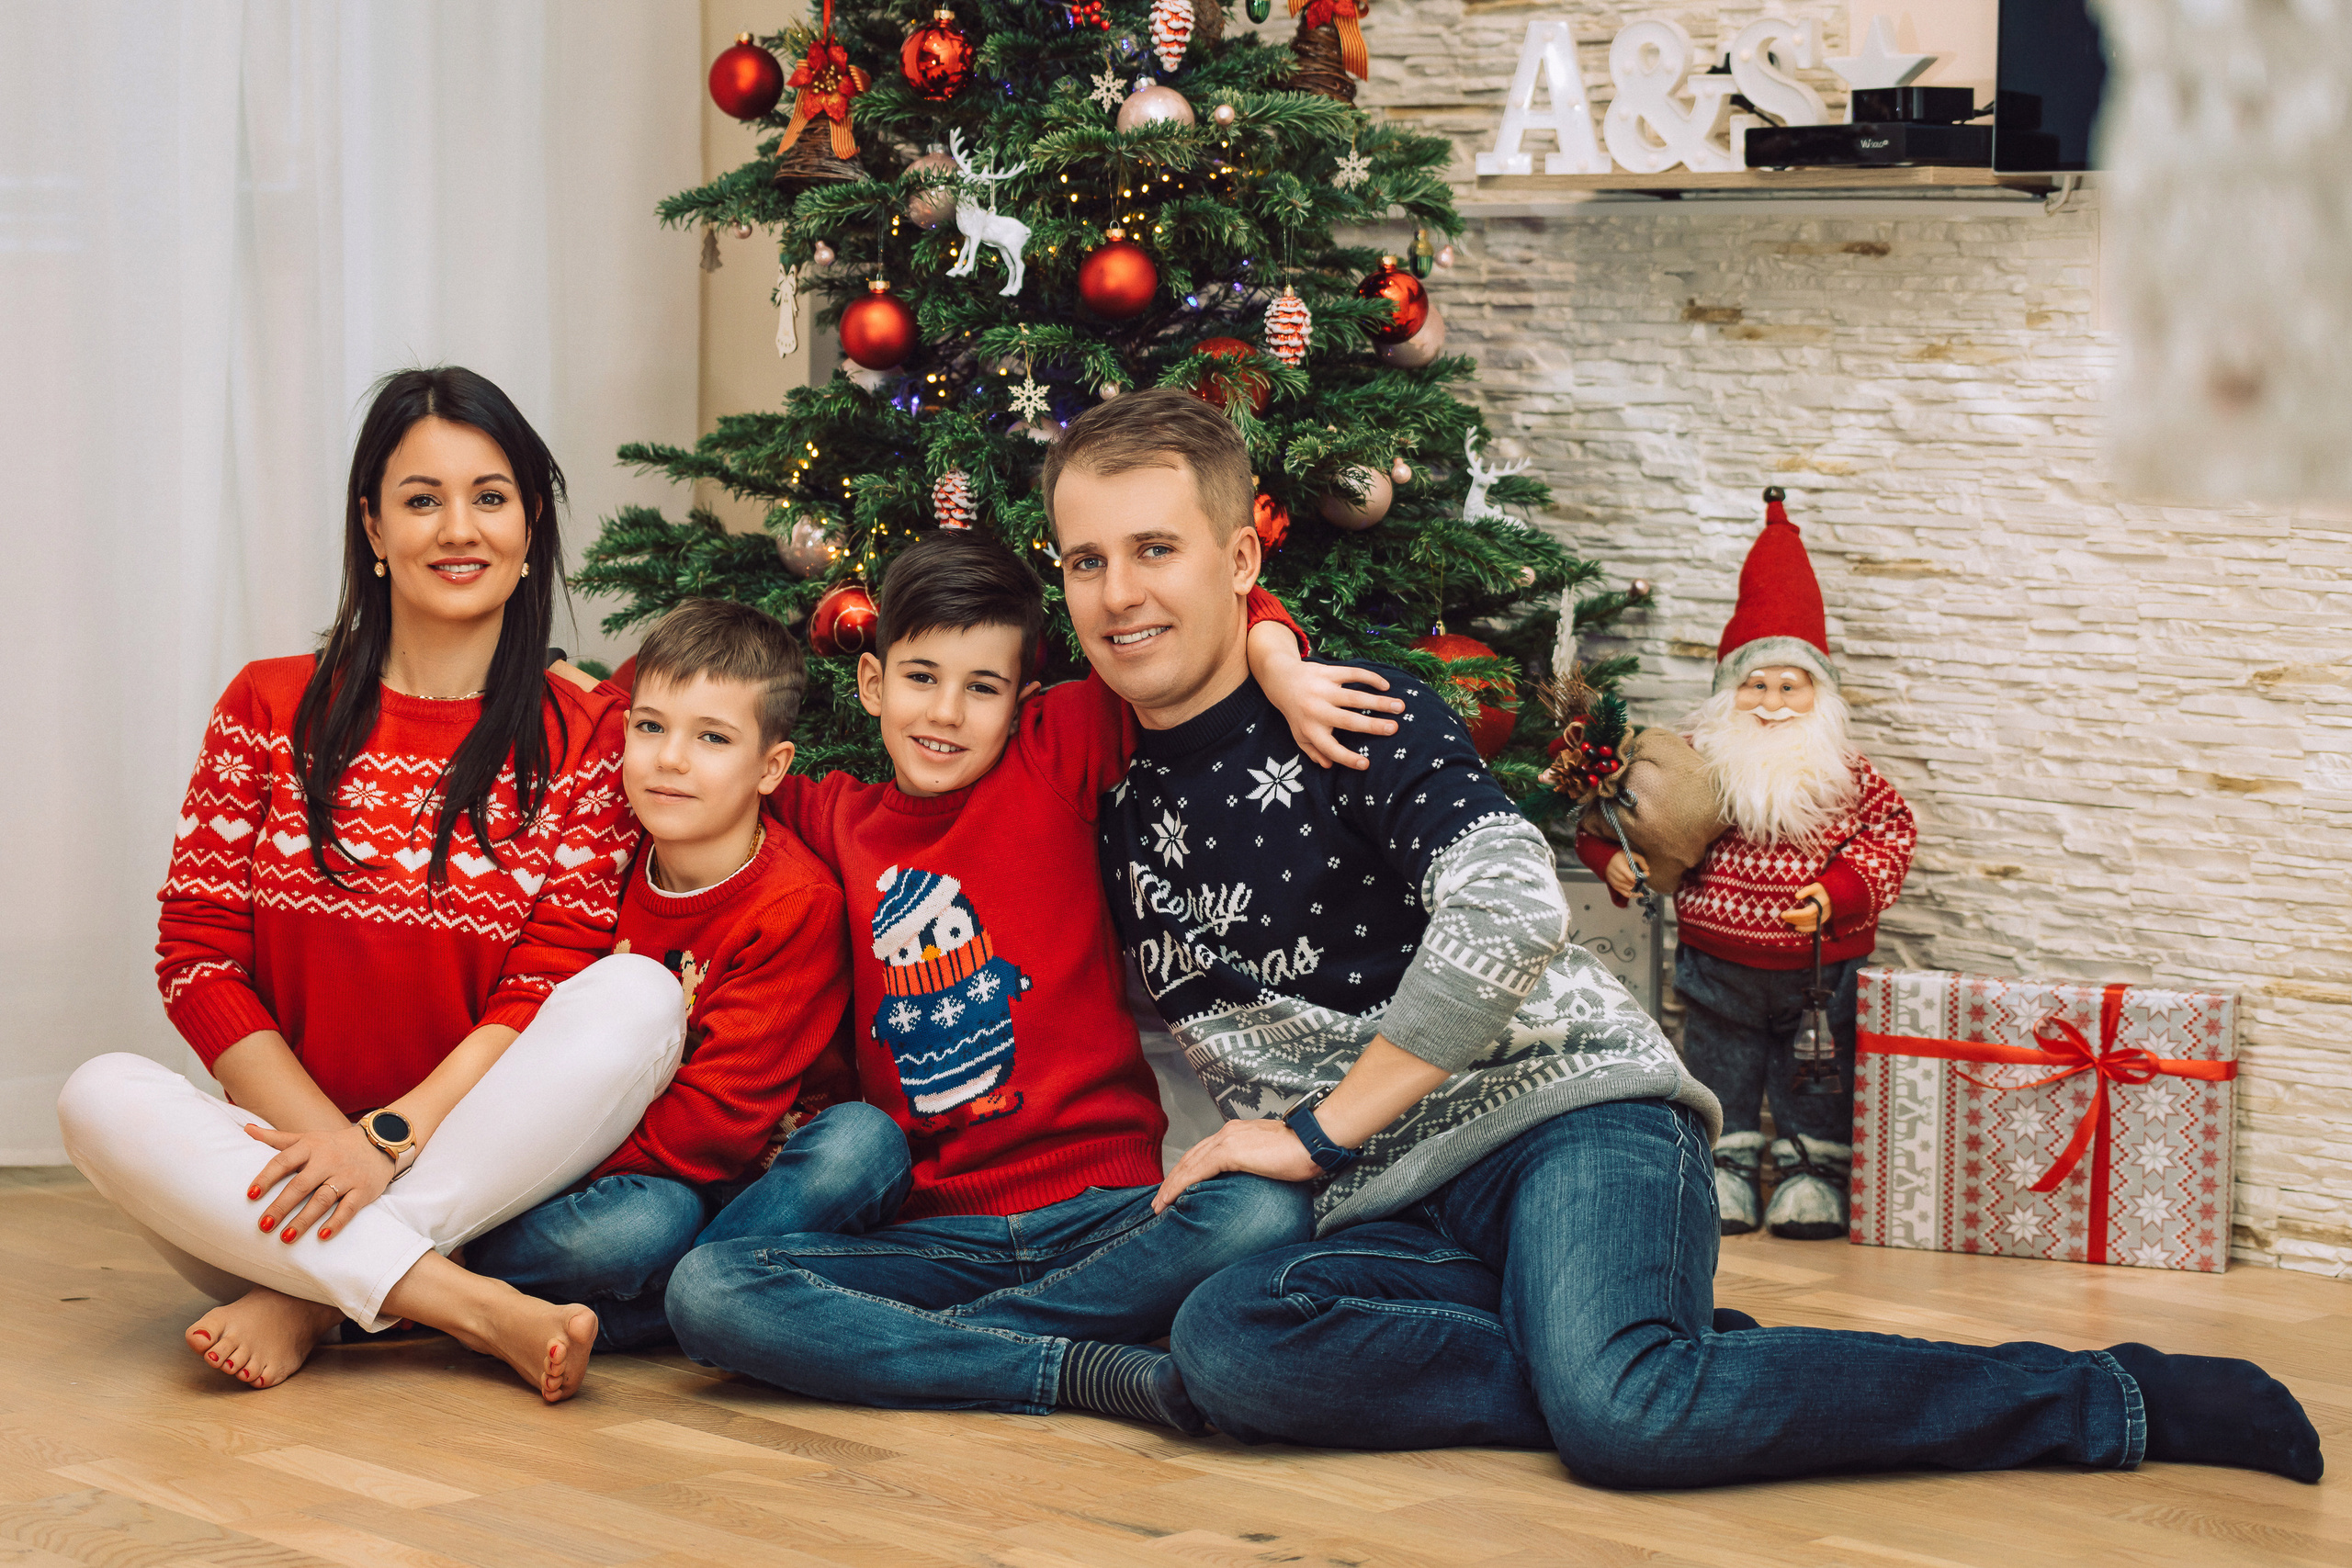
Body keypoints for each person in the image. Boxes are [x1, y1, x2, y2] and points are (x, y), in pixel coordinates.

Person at [1048, 390, 2324, 1488]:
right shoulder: (1091, 769)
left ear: (1237, 558)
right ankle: (1621, 1333)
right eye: (1084, 560)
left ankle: (2110, 1396)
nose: (1117, 593)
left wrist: (1318, 1130)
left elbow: (1513, 909)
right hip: (1392, 1200)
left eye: (1154, 547)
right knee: (1231, 1343)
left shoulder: (1362, 715)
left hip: (1567, 1113)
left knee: (1627, 1416)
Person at [664, 528, 1395, 1427]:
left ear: (1021, 704)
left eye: (982, 689)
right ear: (871, 685)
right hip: (931, 1235)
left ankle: (921, 1351)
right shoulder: (826, 815)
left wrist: (1280, 665)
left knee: (1262, 1213)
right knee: (707, 1288)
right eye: (922, 677)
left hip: (1108, 1214)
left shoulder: (1053, 759)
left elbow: (1208, 625)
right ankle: (1066, 1369)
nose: (945, 713)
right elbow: (677, 745)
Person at [58, 367, 683, 1404]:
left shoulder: (590, 739)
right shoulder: (267, 706)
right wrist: (330, 1151)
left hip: (462, 1182)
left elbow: (548, 981)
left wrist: (385, 1144)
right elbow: (198, 957)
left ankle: (318, 1301)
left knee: (639, 997)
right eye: (421, 498)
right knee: (97, 1096)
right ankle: (473, 1308)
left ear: (531, 523)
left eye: (489, 497)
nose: (458, 528)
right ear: (373, 527)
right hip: (268, 1197)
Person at [465, 599, 907, 1350]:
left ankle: (670, 1303)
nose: (671, 758)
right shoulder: (604, 857)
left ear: (771, 767)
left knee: (864, 1143)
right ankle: (451, 1278)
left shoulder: (793, 904)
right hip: (632, 1182)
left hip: (752, 1175)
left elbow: (714, 1123)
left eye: (712, 737)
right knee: (646, 1221)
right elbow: (599, 701)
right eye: (651, 728)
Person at [1578, 487, 1916, 1239]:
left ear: (1818, 695)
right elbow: (1614, 815)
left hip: (1820, 975)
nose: (1769, 702)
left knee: (1814, 1078)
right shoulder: (1694, 764)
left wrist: (1837, 890)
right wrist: (1611, 858)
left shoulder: (1847, 774)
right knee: (1719, 1070)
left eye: (1788, 686)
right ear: (1729, 692)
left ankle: (1810, 1173)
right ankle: (1724, 1172)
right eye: (1755, 685)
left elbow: (1892, 834)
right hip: (1718, 968)